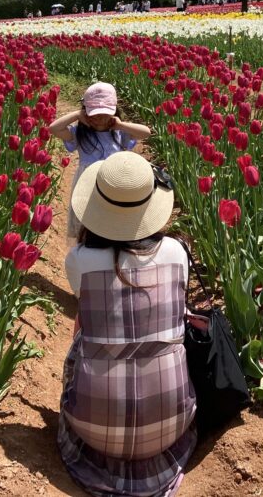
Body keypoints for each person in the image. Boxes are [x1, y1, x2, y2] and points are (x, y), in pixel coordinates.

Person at [59, 152, 196, 496]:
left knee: (85, 333)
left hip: (93, 430)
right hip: (170, 426)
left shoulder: (79, 260)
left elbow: (87, 319)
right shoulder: (177, 252)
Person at [49, 82, 152, 239]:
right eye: (94, 113)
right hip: (88, 185)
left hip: (113, 184)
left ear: (114, 111)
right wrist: (76, 115)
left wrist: (121, 125)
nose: (99, 118)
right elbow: (53, 128)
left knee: (112, 217)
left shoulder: (119, 133)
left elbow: (146, 133)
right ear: (85, 112)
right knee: (89, 220)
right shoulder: (79, 134)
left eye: (105, 113)